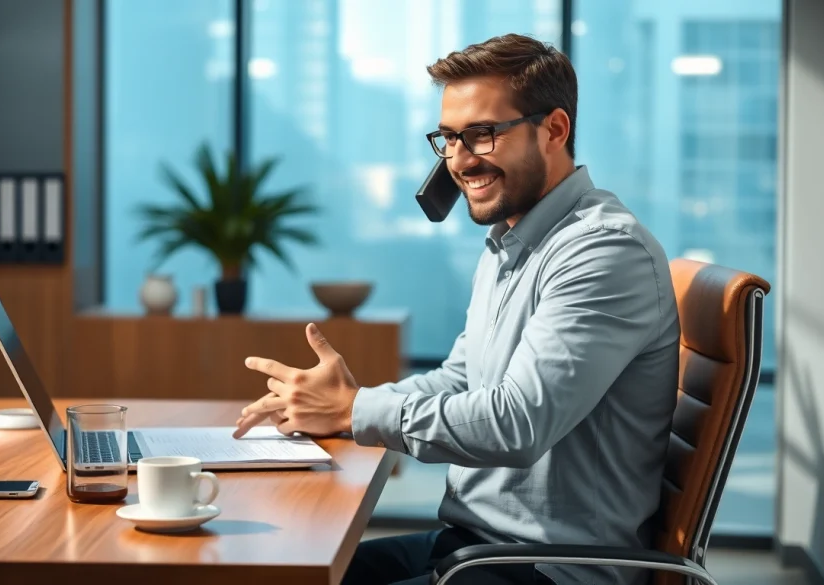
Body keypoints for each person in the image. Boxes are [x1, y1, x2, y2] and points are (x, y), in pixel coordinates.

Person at [232, 33, 680, 585]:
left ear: (555, 130)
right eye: (447, 139)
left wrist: (354, 412)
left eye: (482, 135)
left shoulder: (603, 251)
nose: (459, 161)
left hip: (547, 568)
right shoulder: (510, 241)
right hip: (477, 544)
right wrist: (338, 404)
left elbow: (517, 423)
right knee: (285, 572)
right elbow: (462, 378)